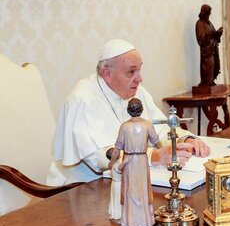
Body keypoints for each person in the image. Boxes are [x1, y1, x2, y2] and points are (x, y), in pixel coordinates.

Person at [49, 39, 210, 185]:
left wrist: (185, 139)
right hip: (84, 187)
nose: (140, 79)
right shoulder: (82, 99)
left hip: (128, 180)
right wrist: (153, 157)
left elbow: (158, 128)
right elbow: (98, 158)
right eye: (131, 72)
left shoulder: (135, 90)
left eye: (139, 70)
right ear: (107, 73)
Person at [108, 98, 157, 226]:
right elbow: (156, 141)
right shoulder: (147, 124)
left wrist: (112, 162)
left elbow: (118, 147)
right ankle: (144, 221)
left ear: (129, 110)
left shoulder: (125, 126)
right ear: (141, 109)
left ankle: (131, 222)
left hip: (130, 161)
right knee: (142, 190)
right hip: (140, 161)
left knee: (131, 191)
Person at [195, 4, 223, 86]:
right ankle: (206, 82)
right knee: (208, 67)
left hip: (213, 50)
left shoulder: (209, 23)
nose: (209, 15)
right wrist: (213, 35)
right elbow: (201, 39)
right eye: (208, 13)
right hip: (207, 52)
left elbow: (214, 35)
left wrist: (218, 34)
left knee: (214, 66)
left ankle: (211, 81)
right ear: (204, 13)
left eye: (209, 14)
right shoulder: (199, 23)